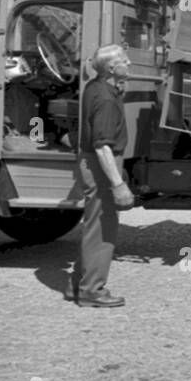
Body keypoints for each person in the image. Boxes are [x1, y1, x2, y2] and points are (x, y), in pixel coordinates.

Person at [66, 44, 132, 307]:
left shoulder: (97, 87)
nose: (130, 64)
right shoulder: (105, 98)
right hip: (102, 165)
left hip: (94, 164)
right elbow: (102, 146)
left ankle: (79, 285)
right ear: (111, 68)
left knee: (93, 227)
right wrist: (118, 184)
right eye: (125, 61)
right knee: (102, 230)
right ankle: (92, 291)